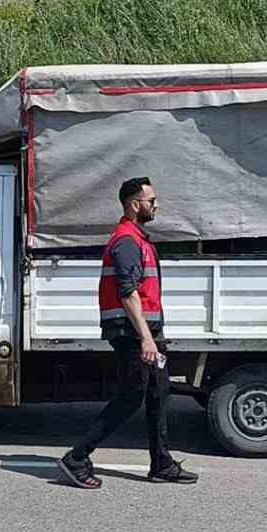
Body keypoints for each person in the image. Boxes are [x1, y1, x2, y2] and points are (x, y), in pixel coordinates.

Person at [56, 177, 198, 489]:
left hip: (146, 332)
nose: (156, 205)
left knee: (159, 393)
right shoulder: (126, 242)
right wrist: (146, 338)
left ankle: (162, 464)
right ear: (135, 205)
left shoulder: (138, 239)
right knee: (130, 397)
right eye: (151, 201)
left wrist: (153, 335)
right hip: (131, 333)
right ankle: (77, 457)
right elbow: (127, 293)